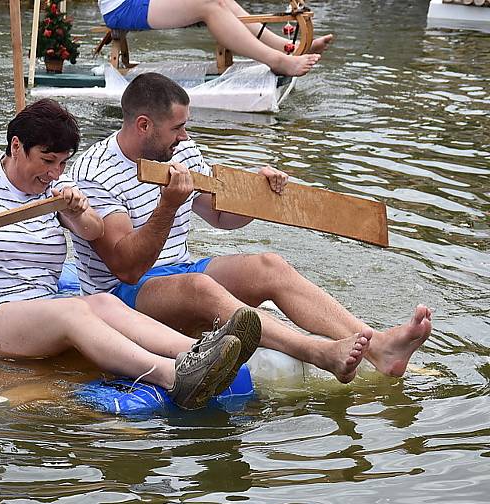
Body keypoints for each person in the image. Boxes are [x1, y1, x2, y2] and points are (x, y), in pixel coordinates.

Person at [0, 97, 261, 410]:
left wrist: (76, 208)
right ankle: (173, 376)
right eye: (46, 161)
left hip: (36, 307)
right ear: (16, 147)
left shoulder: (56, 190)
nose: (54, 172)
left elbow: (93, 231)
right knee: (74, 308)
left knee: (102, 305)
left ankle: (202, 353)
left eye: (62, 163)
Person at [69, 73, 433, 384]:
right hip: (123, 295)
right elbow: (127, 268)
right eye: (176, 128)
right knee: (198, 285)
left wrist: (257, 197)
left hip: (179, 270)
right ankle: (318, 352)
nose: (183, 136)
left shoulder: (179, 151)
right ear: (144, 125)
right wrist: (168, 205)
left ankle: (380, 347)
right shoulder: (94, 172)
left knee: (268, 265)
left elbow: (220, 218)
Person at [98, 0, 334, 77]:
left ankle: (287, 48)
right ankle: (277, 61)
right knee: (210, 6)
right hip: (122, 7)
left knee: (223, 1)